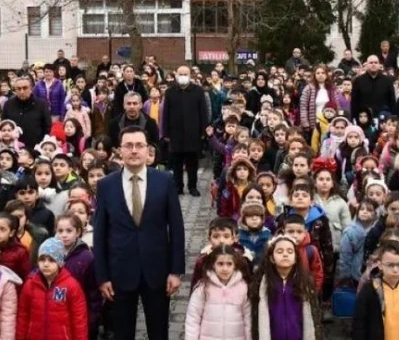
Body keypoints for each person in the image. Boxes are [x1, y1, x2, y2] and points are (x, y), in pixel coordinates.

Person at [93, 128, 185, 340]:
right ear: (119, 151)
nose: (134, 151)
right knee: (123, 333)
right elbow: (100, 233)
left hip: (157, 271)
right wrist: (102, 276)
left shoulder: (165, 181)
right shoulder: (106, 185)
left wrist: (176, 270)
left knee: (159, 331)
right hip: (119, 272)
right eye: (128, 146)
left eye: (139, 145)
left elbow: (177, 227)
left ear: (147, 150)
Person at [17, 239, 88, 340]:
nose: (46, 264)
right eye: (42, 259)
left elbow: (79, 320)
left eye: (51, 260)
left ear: (60, 262)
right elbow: (23, 316)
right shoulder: (30, 285)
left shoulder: (72, 286)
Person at [251, 235, 319, 340]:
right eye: (279, 251)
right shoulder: (263, 284)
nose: (285, 254)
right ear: (271, 258)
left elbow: (314, 317)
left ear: (296, 258)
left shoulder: (304, 283)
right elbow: (255, 319)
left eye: (290, 251)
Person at [352, 240, 399, 340]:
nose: (395, 269)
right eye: (390, 265)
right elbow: (359, 324)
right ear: (380, 265)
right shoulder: (369, 290)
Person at [184, 245, 252, 340]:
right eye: (220, 264)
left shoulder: (243, 288)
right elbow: (193, 319)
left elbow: (248, 320)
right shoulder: (203, 287)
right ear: (213, 264)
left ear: (235, 265)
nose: (225, 268)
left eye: (229, 264)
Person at [162, 66, 211, 197]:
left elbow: (203, 113)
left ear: (190, 75)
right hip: (175, 133)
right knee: (176, 163)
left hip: (193, 133)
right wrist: (165, 132)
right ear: (176, 75)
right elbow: (165, 113)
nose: (183, 76)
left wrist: (203, 131)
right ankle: (178, 186)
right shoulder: (170, 92)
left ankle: (192, 186)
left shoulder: (198, 91)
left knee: (192, 163)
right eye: (180, 74)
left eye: (186, 74)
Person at [1, 76, 52, 152]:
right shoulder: (8, 105)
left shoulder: (41, 105)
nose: (22, 91)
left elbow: (47, 126)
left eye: (25, 88)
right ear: (15, 90)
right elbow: (3, 124)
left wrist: (40, 144)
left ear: (31, 89)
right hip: (13, 147)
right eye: (19, 89)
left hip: (35, 148)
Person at [351, 56, 396, 120]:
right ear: (366, 65)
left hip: (383, 118)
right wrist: (354, 118)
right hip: (364, 119)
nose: (373, 64)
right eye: (371, 63)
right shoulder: (358, 81)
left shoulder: (387, 80)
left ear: (379, 65)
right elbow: (354, 102)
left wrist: (393, 117)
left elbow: (392, 101)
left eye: (376, 62)